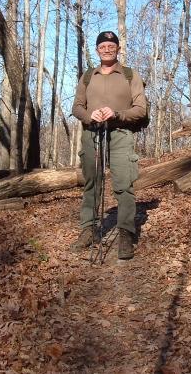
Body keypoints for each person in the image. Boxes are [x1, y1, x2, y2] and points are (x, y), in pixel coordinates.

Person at [71, 31, 147, 260]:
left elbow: (141, 109)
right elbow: (76, 107)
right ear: (97, 50)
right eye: (102, 46)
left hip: (121, 133)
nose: (107, 49)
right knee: (92, 183)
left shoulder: (129, 75)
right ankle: (89, 229)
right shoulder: (87, 76)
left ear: (118, 49)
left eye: (111, 46)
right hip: (91, 133)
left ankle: (125, 233)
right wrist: (89, 115)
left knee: (124, 184)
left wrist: (116, 114)